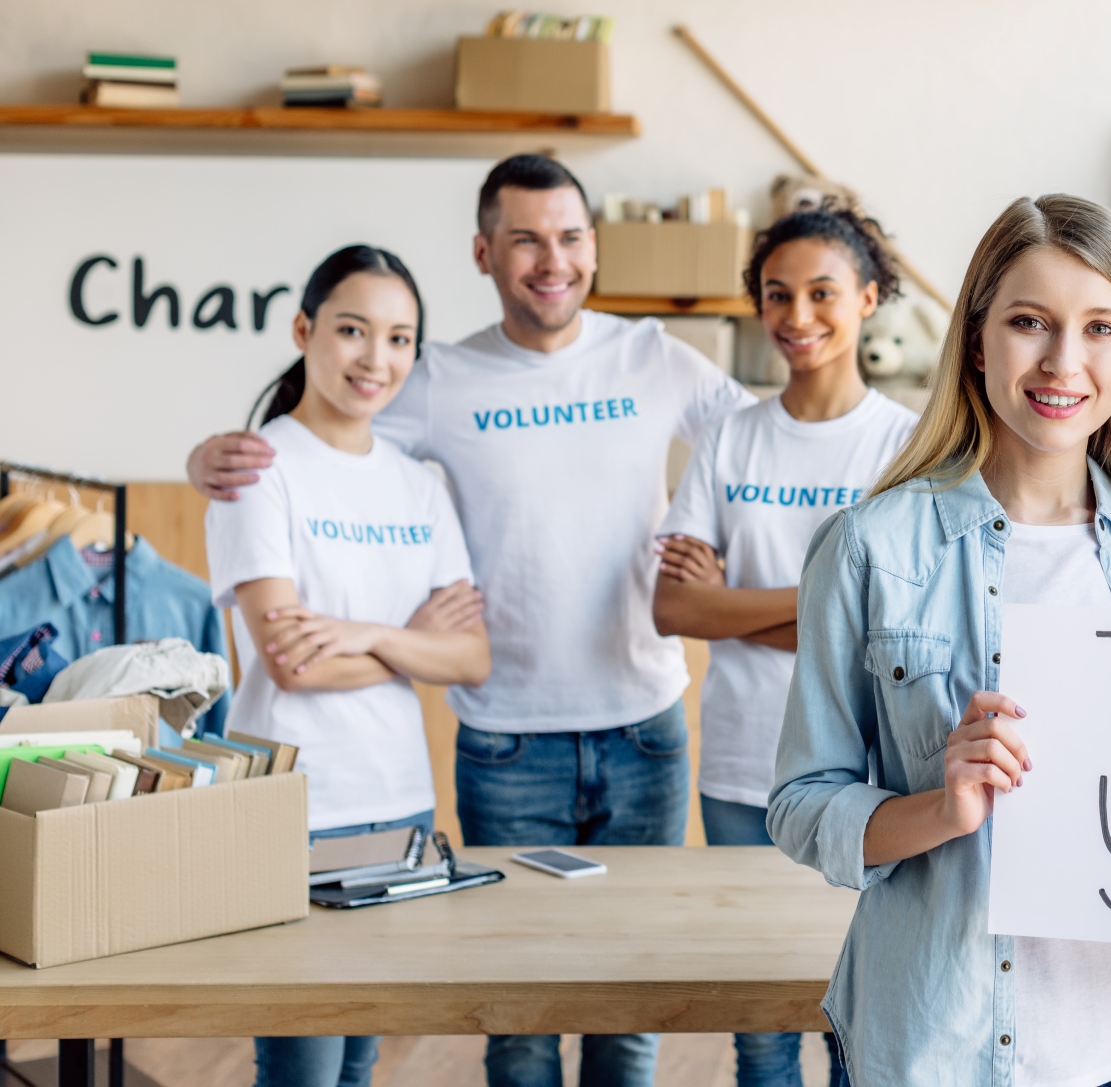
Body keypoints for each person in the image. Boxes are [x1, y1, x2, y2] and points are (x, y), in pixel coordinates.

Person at [188, 155, 757, 1087]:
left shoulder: (654, 355)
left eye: (570, 236)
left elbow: (760, 446)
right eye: (525, 238)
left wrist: (717, 547)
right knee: (518, 1008)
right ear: (484, 251)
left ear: (594, 246)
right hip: (503, 745)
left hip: (646, 728)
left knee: (631, 1000)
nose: (552, 259)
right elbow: (327, 422)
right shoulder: (438, 376)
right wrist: (208, 450)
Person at [769, 195, 1111, 1087]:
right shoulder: (872, 545)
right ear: (977, 338)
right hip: (935, 1048)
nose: (1064, 360)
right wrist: (942, 809)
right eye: (1030, 321)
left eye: (1101, 327)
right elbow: (800, 802)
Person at [204, 246, 490, 1087]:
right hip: (297, 801)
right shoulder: (260, 468)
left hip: (401, 804)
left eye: (400, 339)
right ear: (305, 330)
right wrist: (408, 644)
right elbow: (290, 662)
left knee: (362, 1057)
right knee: (303, 1060)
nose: (377, 358)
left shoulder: (418, 484)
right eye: (353, 330)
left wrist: (363, 634)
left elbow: (470, 655)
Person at [653, 204, 917, 1086]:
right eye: (777, 295)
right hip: (741, 765)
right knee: (759, 1029)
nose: (797, 316)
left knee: (860, 1013)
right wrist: (825, 613)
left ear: (869, 297)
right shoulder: (731, 434)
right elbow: (674, 609)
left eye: (821, 292)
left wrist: (735, 606)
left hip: (866, 772)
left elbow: (897, 621)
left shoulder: (905, 444)